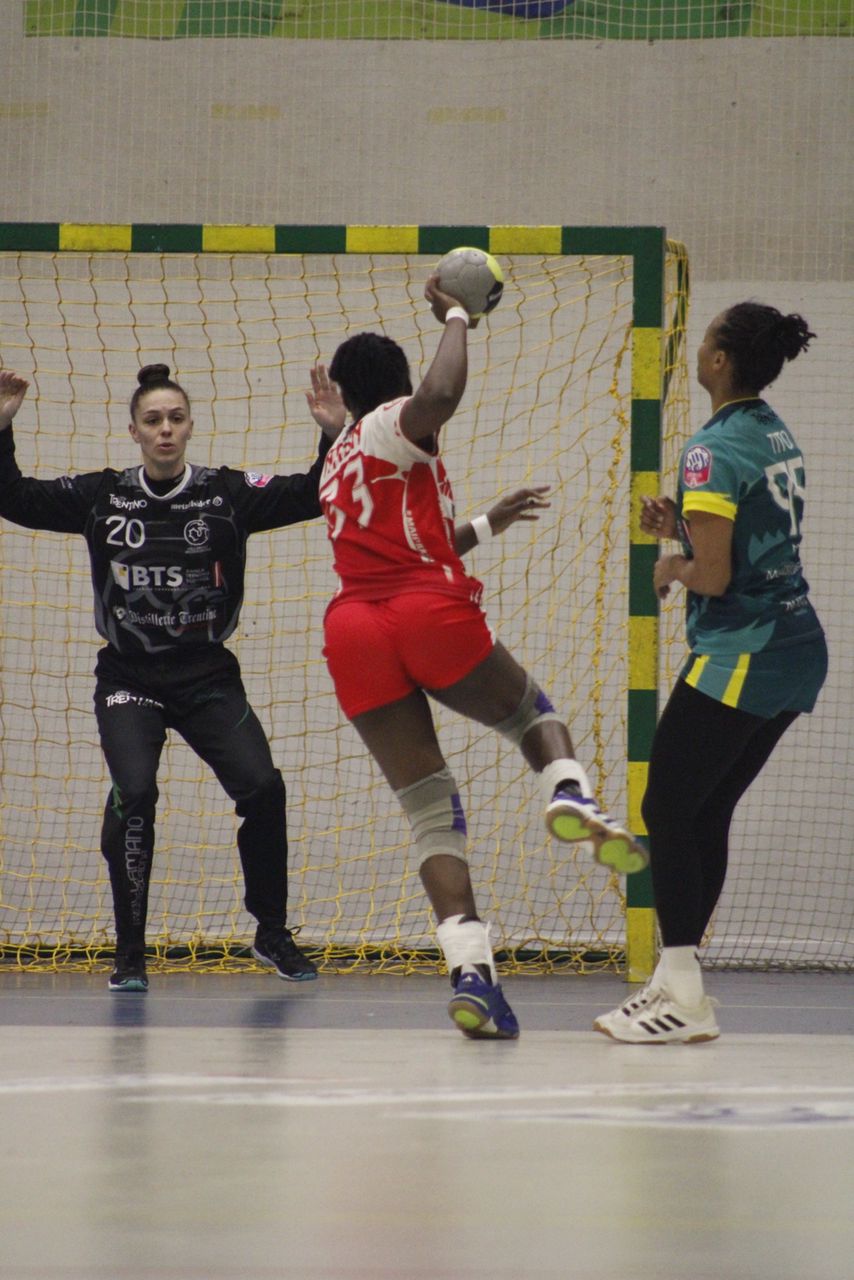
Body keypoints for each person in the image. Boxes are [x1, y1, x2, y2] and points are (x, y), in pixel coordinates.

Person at [306, 276, 647, 1041]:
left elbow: (409, 542)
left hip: (355, 628)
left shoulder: (336, 460)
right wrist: (458, 315)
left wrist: (486, 522)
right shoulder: (399, 420)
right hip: (425, 613)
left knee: (431, 814)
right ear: (388, 390)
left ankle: (473, 978)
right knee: (531, 715)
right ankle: (571, 799)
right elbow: (441, 393)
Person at [0, 362, 341, 993]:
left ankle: (271, 933)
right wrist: (2, 428)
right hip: (129, 677)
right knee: (137, 794)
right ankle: (130, 953)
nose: (165, 430)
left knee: (263, 788)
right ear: (133, 430)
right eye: (152, 420)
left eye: (175, 419)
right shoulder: (104, 495)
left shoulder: (226, 493)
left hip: (208, 676)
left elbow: (314, 493)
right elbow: (12, 500)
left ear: (189, 428)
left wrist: (331, 433)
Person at [594, 301, 827, 1044]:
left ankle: (684, 993)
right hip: (793, 648)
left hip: (744, 653)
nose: (696, 349)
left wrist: (672, 561)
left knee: (666, 809)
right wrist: (683, 524)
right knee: (703, 811)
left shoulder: (709, 450)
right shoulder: (771, 432)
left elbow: (718, 577)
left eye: (705, 340)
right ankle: (676, 978)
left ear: (720, 360)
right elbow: (753, 529)